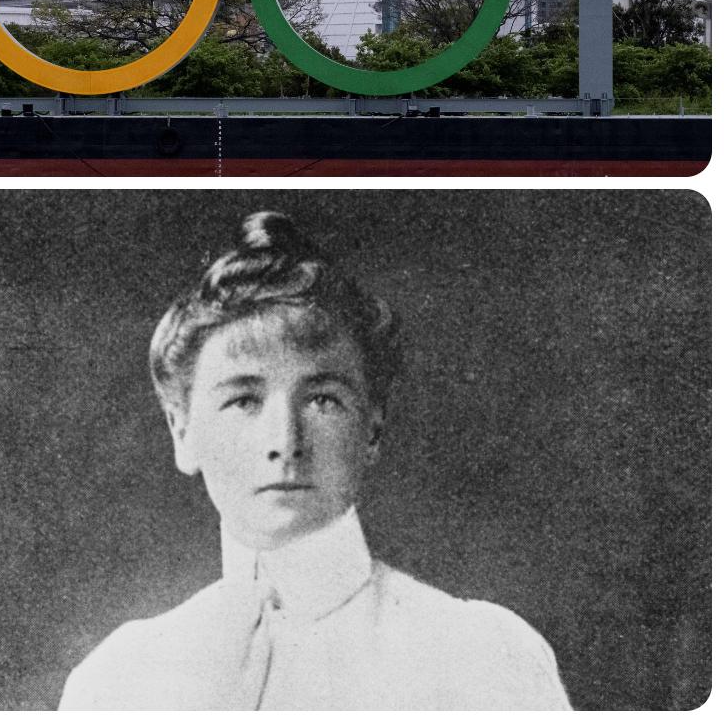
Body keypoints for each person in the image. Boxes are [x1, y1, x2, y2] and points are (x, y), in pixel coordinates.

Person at [59, 213, 570, 710]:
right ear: (183, 430)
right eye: (243, 400)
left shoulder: (477, 656)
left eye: (323, 399)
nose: (285, 441)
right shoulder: (120, 679)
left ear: (372, 427)